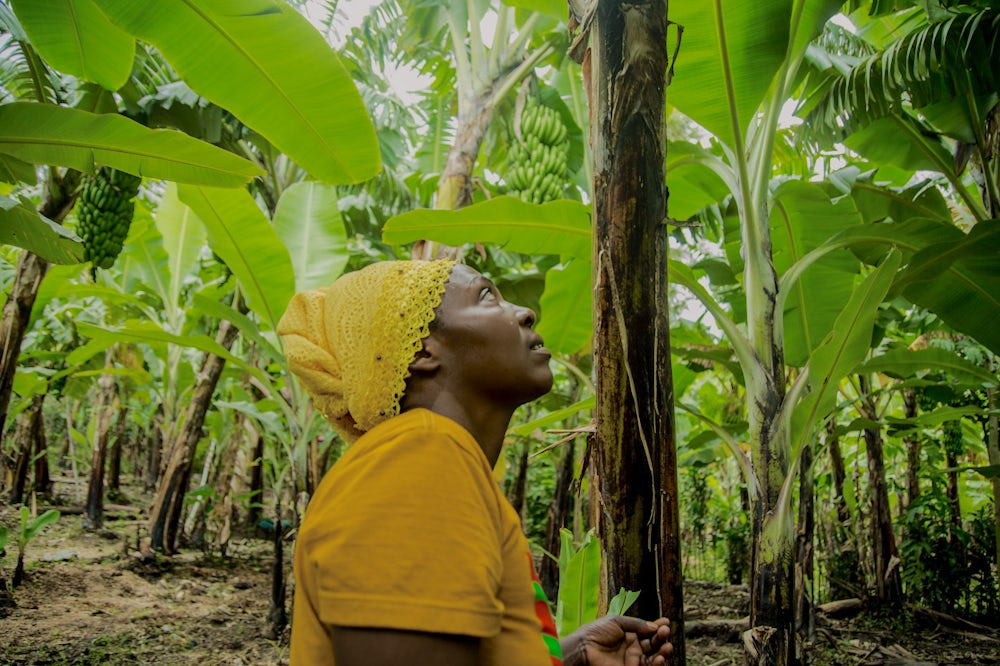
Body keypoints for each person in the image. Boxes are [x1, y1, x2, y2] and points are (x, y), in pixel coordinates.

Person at [278, 259, 673, 666]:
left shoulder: (439, 460)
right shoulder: (419, 460)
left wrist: (572, 656)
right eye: (486, 296)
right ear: (423, 351)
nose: (524, 312)